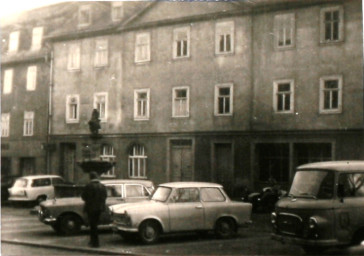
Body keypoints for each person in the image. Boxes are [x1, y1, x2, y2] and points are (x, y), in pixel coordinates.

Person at [81, 171, 107, 248]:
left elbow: (84, 197)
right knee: (95, 224)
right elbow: (105, 196)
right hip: (99, 208)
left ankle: (95, 242)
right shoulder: (102, 186)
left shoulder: (88, 186)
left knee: (93, 225)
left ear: (90, 178)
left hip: (91, 208)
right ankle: (94, 241)